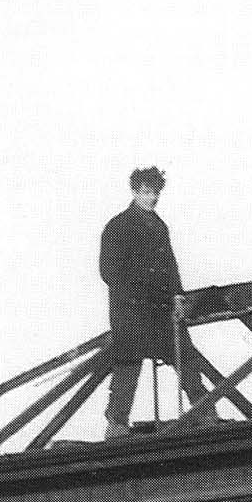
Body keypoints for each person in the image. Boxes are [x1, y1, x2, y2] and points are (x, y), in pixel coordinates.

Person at [99, 166, 212, 436]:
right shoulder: (118, 226)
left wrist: (177, 294)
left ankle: (205, 411)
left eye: (155, 193)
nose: (151, 198)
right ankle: (116, 424)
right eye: (146, 192)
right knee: (129, 363)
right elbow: (109, 271)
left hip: (161, 307)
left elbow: (170, 264)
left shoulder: (159, 226)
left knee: (184, 354)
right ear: (135, 192)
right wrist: (136, 293)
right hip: (131, 309)